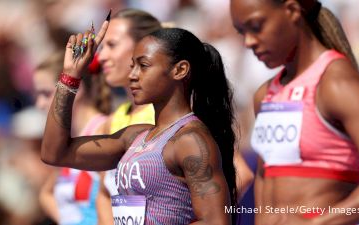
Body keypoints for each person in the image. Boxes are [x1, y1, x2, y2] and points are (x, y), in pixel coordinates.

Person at [41, 13, 238, 224]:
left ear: (180, 70)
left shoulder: (191, 140)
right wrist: (70, 77)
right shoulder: (134, 136)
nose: (133, 75)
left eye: (143, 66)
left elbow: (215, 221)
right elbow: (55, 153)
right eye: (132, 65)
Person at [230, 0, 359, 224]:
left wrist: (319, 222)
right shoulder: (265, 95)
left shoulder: (337, 84)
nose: (249, 42)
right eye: (241, 32)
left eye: (255, 27)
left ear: (292, 11)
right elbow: (265, 179)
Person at [94, 9, 162, 224]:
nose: (101, 56)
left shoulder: (170, 113)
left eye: (111, 45)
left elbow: (239, 175)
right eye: (102, 47)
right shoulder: (110, 123)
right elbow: (105, 194)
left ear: (143, 48)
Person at [34, 51, 111, 225]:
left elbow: (114, 199)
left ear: (77, 88)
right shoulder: (67, 140)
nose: (39, 104)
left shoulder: (104, 130)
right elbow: (46, 194)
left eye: (45, 94)